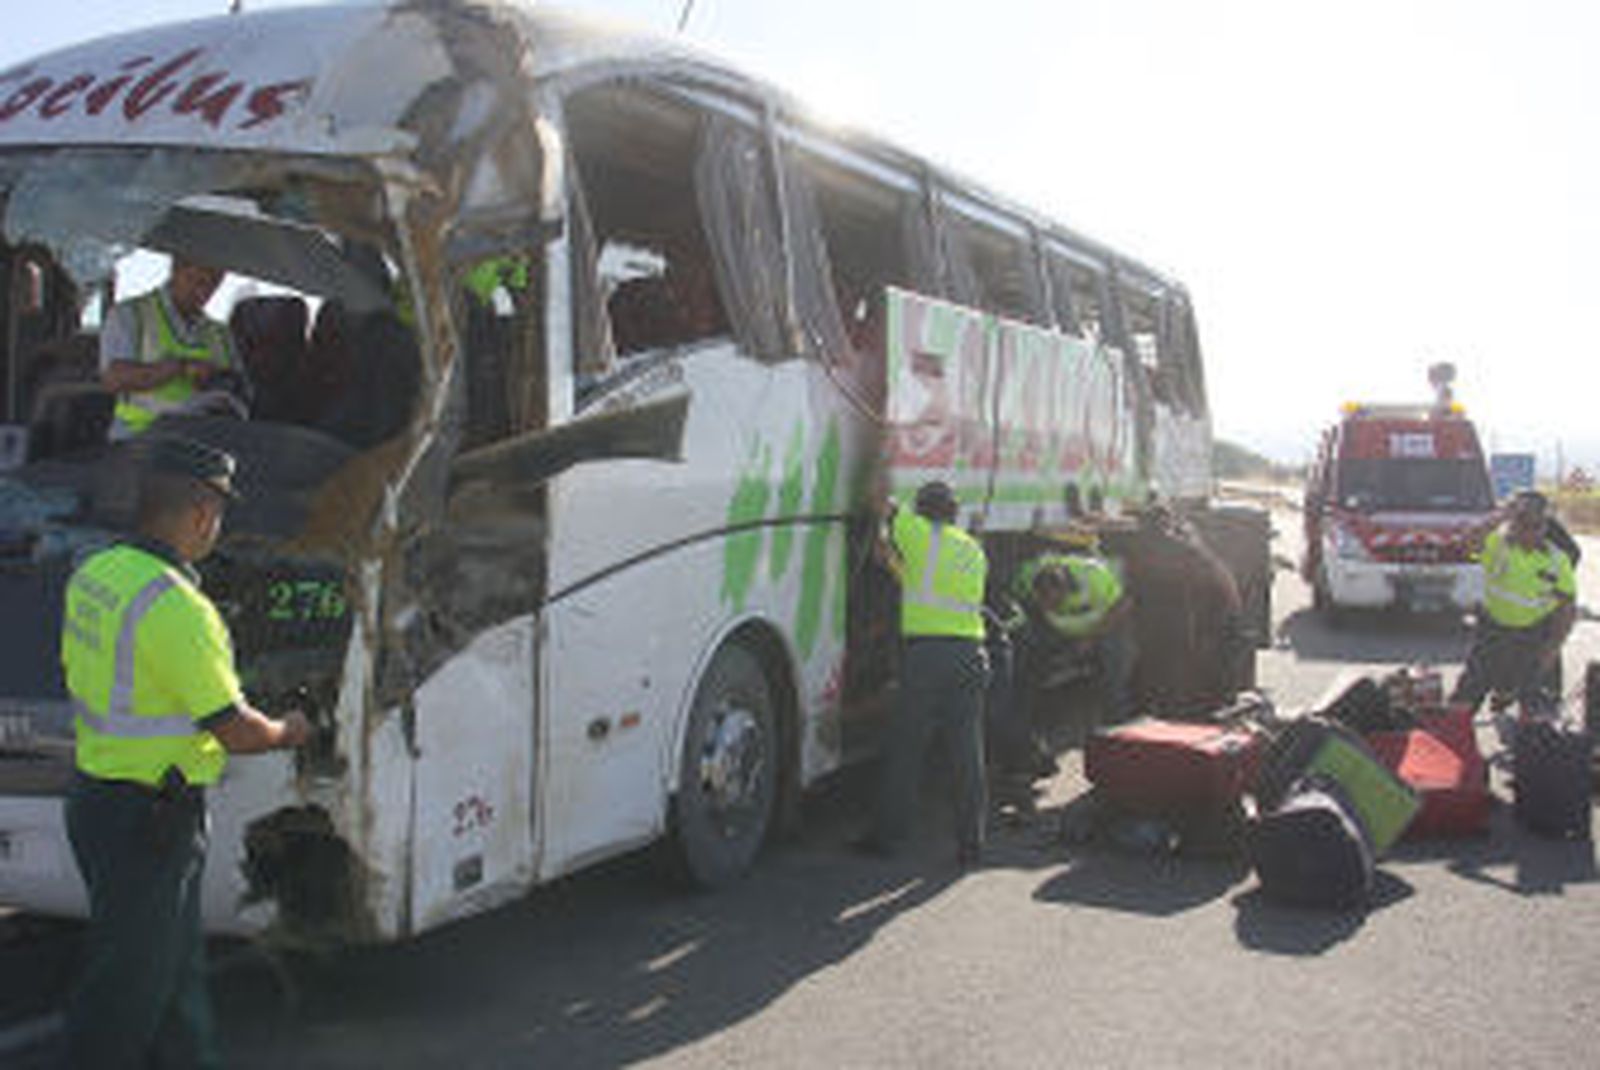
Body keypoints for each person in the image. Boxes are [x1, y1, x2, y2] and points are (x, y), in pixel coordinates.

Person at [60, 434, 311, 1068]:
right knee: (126, 990)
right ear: (201, 515)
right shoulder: (177, 607)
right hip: (149, 821)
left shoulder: (95, 573)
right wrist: (290, 730)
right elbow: (233, 728)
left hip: (97, 799)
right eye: (218, 517)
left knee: (173, 974)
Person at [862, 479, 990, 867]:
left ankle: (887, 837)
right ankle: (972, 844)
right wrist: (889, 558)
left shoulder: (918, 533)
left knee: (908, 747)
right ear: (953, 512)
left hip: (928, 656)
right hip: (971, 653)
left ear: (923, 510)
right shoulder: (973, 549)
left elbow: (879, 501)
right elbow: (918, 580)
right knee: (967, 751)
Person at [1450, 490, 1577, 728]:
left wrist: (1552, 648)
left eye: (1536, 525)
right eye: (1523, 524)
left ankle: (1533, 747)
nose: (1529, 531)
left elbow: (1566, 609)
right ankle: (1455, 745)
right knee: (1464, 699)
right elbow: (1466, 542)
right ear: (1513, 524)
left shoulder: (1558, 560)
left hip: (1534, 634)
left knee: (1538, 709)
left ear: (1545, 527)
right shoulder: (1497, 546)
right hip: (1493, 631)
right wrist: (1501, 515)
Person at [100, 257, 245, 440]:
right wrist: (179, 368)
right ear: (176, 269)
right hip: (138, 439)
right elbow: (113, 379)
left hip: (206, 440)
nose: (205, 292)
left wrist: (217, 380)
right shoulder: (130, 314)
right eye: (198, 281)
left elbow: (239, 388)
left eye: (214, 284)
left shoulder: (221, 333)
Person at [1012, 546, 1135, 737]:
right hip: (1055, 631)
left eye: (1056, 601)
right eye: (1044, 601)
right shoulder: (1026, 577)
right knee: (1028, 655)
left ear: (1068, 587)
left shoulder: (1094, 576)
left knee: (1115, 657)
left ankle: (1116, 719)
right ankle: (1032, 726)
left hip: (1100, 628)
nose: (1051, 606)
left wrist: (1091, 637)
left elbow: (1123, 605)